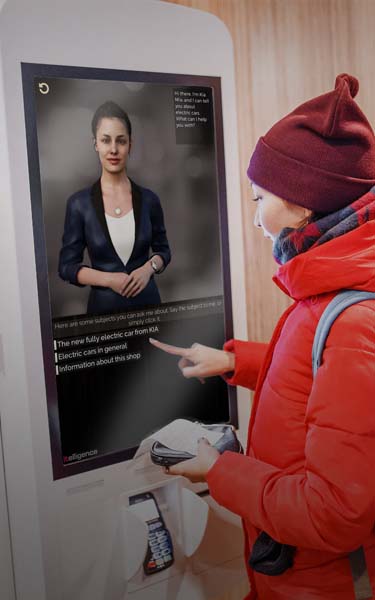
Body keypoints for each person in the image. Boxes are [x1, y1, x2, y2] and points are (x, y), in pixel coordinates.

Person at [150, 74, 375, 599]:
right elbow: (320, 379)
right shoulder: (332, 289)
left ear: (301, 204)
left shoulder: (353, 317)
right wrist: (233, 362)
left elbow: (336, 513)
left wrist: (220, 470)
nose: (255, 219)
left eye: (258, 199)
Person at [58, 101, 171, 314]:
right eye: (105, 140)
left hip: (150, 312)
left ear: (130, 144)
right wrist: (109, 279)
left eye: (121, 141)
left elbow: (163, 251)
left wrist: (148, 269)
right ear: (95, 144)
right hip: (103, 317)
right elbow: (66, 267)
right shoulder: (79, 204)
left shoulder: (149, 200)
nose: (113, 149)